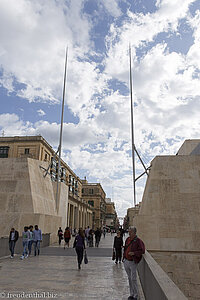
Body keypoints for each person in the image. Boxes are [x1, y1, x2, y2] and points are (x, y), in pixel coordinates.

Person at [123, 227, 145, 300]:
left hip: (132, 262)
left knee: (133, 279)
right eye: (129, 232)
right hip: (126, 261)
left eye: (130, 232)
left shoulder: (138, 241)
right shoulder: (127, 240)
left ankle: (135, 295)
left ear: (134, 233)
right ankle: (131, 294)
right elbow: (126, 247)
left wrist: (134, 253)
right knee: (129, 278)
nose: (129, 233)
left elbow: (142, 250)